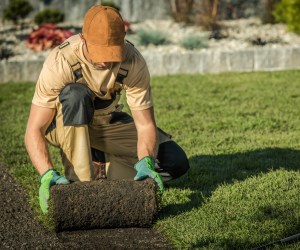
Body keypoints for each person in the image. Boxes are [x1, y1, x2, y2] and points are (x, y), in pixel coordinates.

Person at [24, 5, 190, 214]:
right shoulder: (61, 61)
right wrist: (46, 173)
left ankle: (101, 164)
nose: (104, 61)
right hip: (64, 125)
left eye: (111, 53)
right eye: (99, 52)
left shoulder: (133, 61)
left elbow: (145, 124)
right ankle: (81, 183)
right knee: (76, 94)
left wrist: (146, 161)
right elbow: (35, 129)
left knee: (174, 161)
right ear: (83, 39)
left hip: (106, 123)